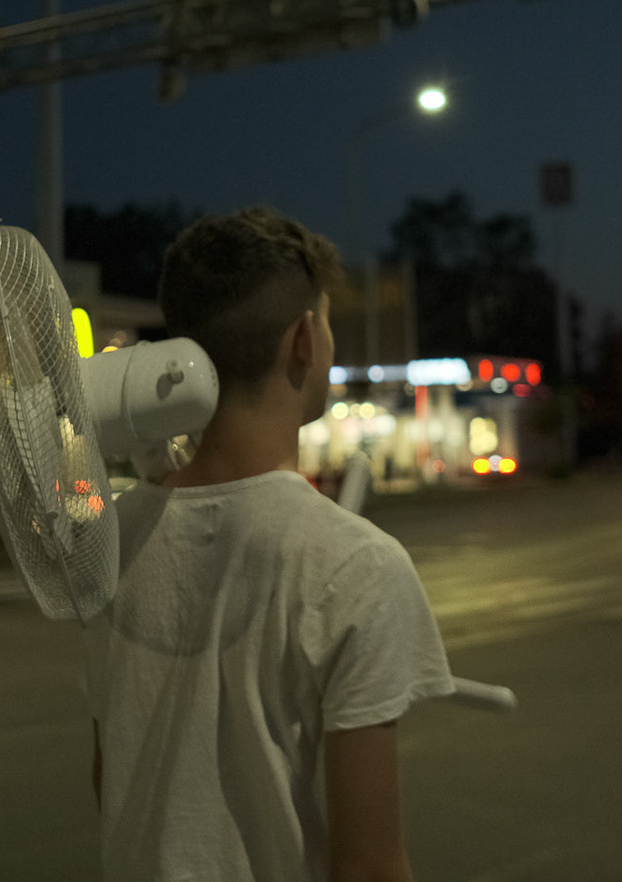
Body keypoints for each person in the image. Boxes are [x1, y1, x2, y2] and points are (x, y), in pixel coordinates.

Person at [84, 206, 454, 882]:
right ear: (305, 340)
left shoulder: (112, 537)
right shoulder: (358, 566)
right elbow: (370, 867)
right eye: (328, 323)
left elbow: (113, 778)